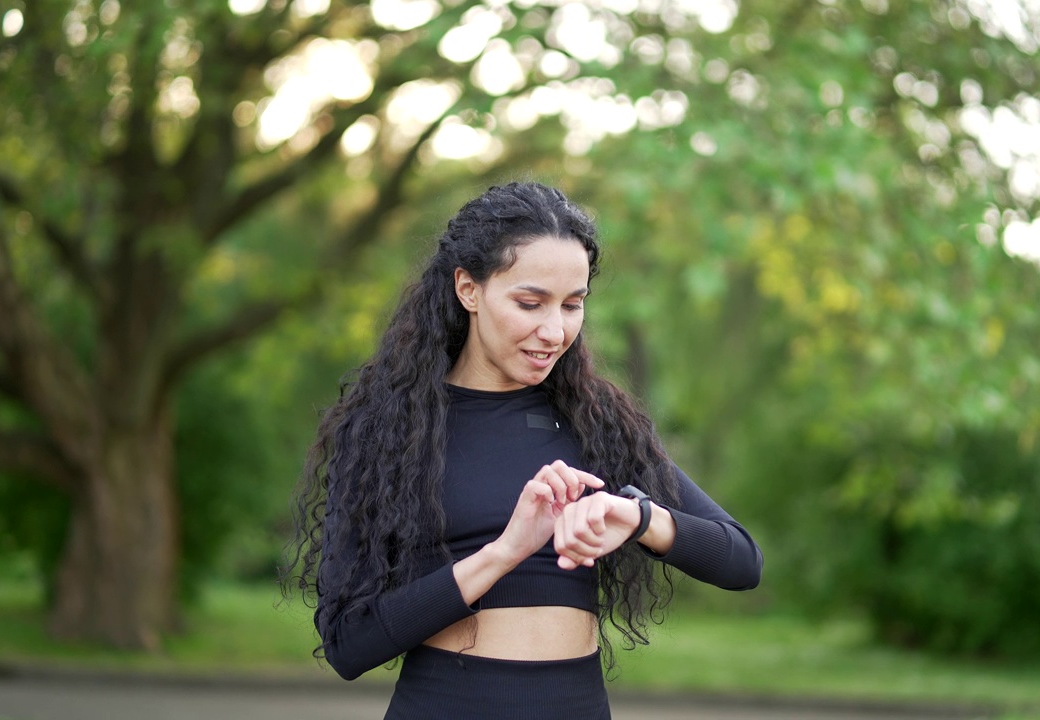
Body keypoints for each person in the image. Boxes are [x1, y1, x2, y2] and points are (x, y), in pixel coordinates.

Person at [285, 181, 763, 719]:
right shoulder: (390, 430)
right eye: (530, 303)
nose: (554, 331)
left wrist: (635, 516)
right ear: (468, 288)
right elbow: (349, 644)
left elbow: (741, 560)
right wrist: (505, 551)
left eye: (572, 305)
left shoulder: (596, 422)